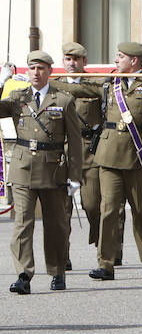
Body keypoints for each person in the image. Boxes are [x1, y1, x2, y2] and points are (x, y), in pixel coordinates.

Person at [53, 41, 142, 280]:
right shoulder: (110, 82)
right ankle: (105, 264)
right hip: (108, 156)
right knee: (108, 211)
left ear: (134, 61)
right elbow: (79, 89)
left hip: (137, 157)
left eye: (120, 57)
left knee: (141, 212)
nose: (116, 60)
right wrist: (45, 81)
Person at [0, 52, 82, 293]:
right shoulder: (18, 97)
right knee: (22, 223)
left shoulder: (63, 100)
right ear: (27, 71)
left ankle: (57, 271)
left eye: (41, 68)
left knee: (55, 224)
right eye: (32, 68)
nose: (36, 72)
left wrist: (74, 176)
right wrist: (2, 81)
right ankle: (23, 274)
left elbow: (74, 141)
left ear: (50, 72)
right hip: (23, 166)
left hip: (53, 168)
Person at [59, 42, 102, 265]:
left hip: (89, 151)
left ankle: (102, 247)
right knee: (61, 210)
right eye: (68, 59)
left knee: (93, 204)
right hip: (61, 153)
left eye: (76, 59)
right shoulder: (54, 86)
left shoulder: (95, 85)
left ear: (85, 62)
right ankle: (63, 255)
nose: (72, 63)